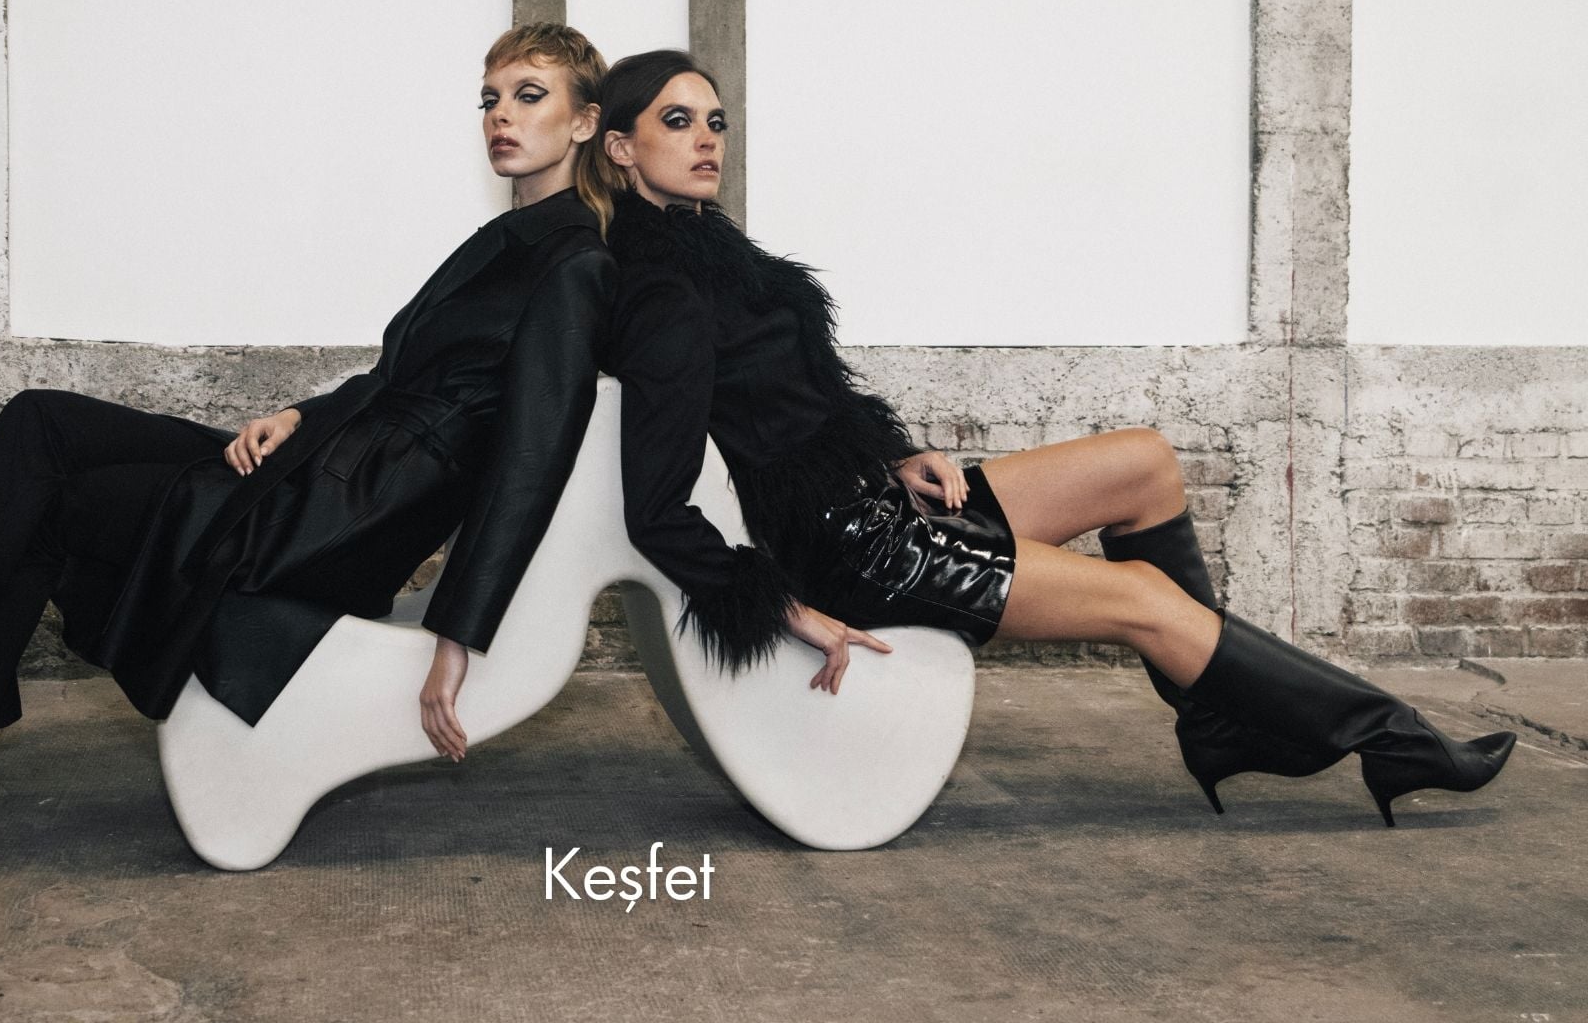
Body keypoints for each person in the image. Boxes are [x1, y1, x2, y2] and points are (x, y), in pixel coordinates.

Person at [0, 23, 620, 863]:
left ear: (584, 122)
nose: (501, 117)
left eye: (529, 96)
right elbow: (398, 378)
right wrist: (300, 414)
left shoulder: (571, 265)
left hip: (338, 522)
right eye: (490, 99)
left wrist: (457, 639)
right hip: (318, 473)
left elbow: (528, 462)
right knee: (41, 421)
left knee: (52, 505)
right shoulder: (511, 242)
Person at [592, 49, 1514, 827]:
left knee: (1145, 463)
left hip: (878, 503)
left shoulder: (710, 249)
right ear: (621, 146)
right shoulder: (665, 289)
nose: (707, 139)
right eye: (677, 122)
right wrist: (780, 606)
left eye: (716, 121)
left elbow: (790, 409)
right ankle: (1390, 738)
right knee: (1146, 601)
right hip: (862, 553)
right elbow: (656, 501)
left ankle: (1217, 721)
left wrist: (892, 456)